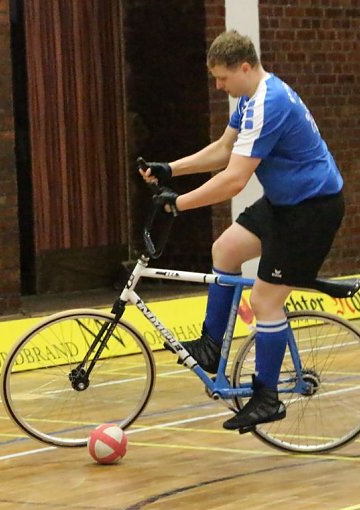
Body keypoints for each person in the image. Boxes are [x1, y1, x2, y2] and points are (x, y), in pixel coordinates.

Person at [140, 30, 345, 430]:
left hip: (312, 211)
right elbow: (222, 149)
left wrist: (178, 204)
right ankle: (211, 347)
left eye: (222, 78)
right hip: (285, 204)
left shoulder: (270, 103)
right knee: (226, 250)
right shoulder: (252, 98)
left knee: (265, 301)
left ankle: (267, 396)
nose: (218, 86)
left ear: (245, 67)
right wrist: (171, 168)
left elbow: (234, 179)